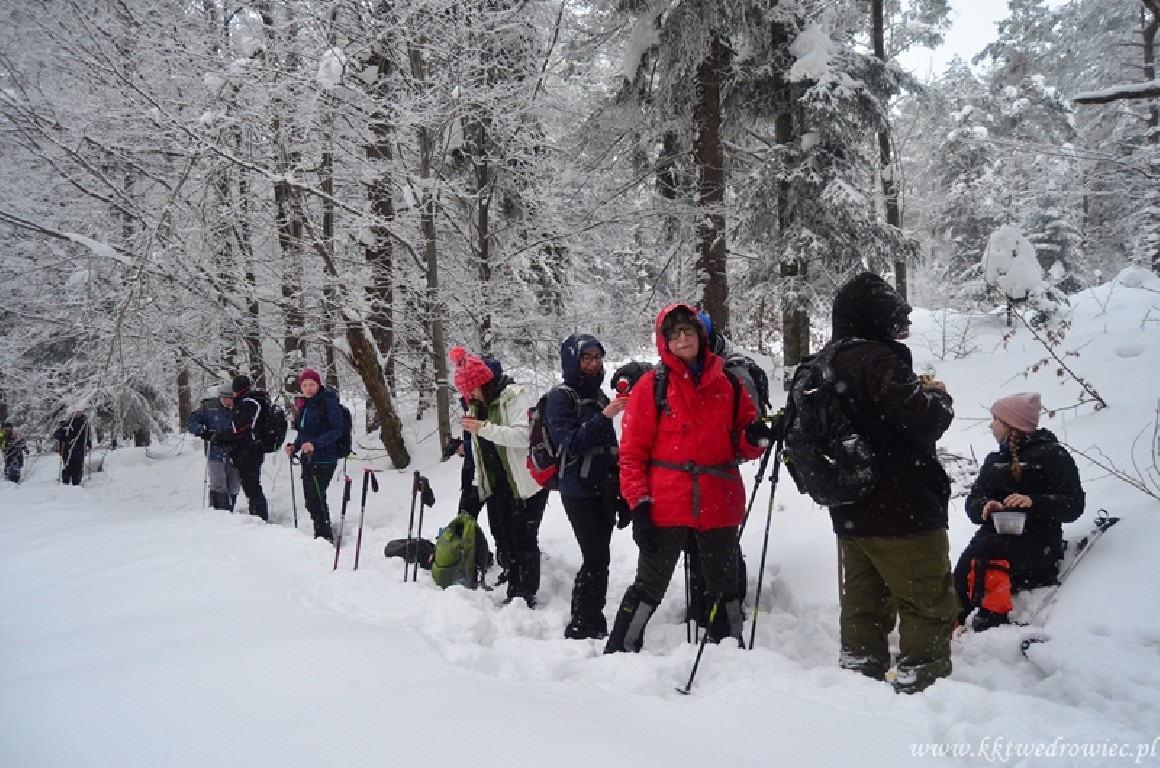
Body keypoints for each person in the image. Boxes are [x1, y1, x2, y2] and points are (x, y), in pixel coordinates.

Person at [604, 304, 771, 654]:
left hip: (719, 500)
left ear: (701, 335)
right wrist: (638, 504)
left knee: (725, 583)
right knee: (649, 584)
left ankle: (730, 650)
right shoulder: (652, 386)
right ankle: (619, 652)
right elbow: (631, 454)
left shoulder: (728, 383)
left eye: (688, 331)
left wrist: (755, 438)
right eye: (674, 334)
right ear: (664, 341)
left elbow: (741, 443)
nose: (682, 339)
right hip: (666, 503)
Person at [824, 272, 957, 694]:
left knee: (864, 603)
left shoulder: (825, 362)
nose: (899, 328)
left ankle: (858, 680)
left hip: (852, 508)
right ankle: (924, 684)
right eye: (893, 319)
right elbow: (924, 419)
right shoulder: (877, 361)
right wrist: (939, 396)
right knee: (927, 601)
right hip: (903, 507)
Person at [955, 392, 1085, 631]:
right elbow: (973, 502)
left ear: (1010, 424)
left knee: (988, 549)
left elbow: (1074, 505)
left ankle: (992, 618)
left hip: (1039, 543)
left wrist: (1033, 502)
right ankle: (951, 625)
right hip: (992, 537)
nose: (991, 425)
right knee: (962, 572)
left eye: (995, 419)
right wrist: (985, 506)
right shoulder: (994, 460)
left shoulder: (1052, 455)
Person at [450, 346, 548, 608]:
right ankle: (513, 583)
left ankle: (526, 593)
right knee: (503, 536)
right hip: (497, 484)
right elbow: (479, 451)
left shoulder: (513, 397)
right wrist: (478, 480)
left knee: (524, 539)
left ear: (483, 382)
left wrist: (483, 428)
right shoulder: (477, 406)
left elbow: (523, 436)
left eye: (470, 389)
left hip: (524, 482)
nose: (468, 395)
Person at [545, 333, 628, 639]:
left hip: (603, 486)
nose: (593, 364)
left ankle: (590, 617)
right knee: (595, 556)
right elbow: (572, 442)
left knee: (599, 556)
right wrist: (605, 417)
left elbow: (611, 447)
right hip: (577, 489)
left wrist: (621, 487)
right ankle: (583, 622)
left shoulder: (599, 396)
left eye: (597, 358)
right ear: (572, 361)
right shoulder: (560, 398)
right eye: (586, 358)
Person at [284, 368, 344, 542]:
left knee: (315, 497)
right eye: (305, 385)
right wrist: (294, 447)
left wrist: (315, 444)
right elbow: (304, 433)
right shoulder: (305, 405)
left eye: (312, 384)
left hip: (325, 458)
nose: (308, 388)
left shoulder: (328, 403)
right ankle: (322, 532)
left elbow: (337, 430)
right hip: (308, 459)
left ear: (318, 385)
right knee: (312, 500)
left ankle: (324, 536)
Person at [215, 375, 269, 522]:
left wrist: (220, 436)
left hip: (249, 451)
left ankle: (260, 518)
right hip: (252, 449)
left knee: (252, 487)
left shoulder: (249, 403)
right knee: (251, 486)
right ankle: (257, 516)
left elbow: (239, 428)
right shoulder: (253, 400)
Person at [187, 383, 241, 511]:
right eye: (226, 398)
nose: (229, 402)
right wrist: (202, 431)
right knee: (218, 483)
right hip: (215, 451)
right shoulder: (209, 407)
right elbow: (192, 421)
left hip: (235, 452)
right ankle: (218, 510)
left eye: (232, 399)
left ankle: (230, 508)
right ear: (220, 397)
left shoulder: (239, 408)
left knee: (234, 485)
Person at [53, 408, 92, 486]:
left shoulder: (85, 423)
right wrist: (61, 436)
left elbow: (88, 435)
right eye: (77, 412)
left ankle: (76, 482)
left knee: (78, 465)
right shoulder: (67, 422)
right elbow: (57, 434)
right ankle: (66, 481)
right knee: (67, 464)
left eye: (80, 412)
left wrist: (89, 444)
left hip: (79, 448)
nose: (78, 413)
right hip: (68, 448)